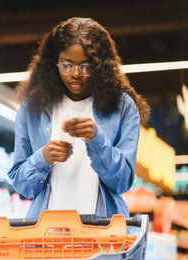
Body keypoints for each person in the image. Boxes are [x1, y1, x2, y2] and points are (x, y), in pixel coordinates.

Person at [8, 17, 150, 219]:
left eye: (86, 66)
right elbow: (23, 187)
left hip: (103, 234)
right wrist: (43, 157)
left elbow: (122, 181)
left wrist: (97, 140)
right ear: (54, 62)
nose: (75, 74)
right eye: (66, 65)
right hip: (47, 237)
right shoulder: (33, 109)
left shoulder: (122, 107)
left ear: (102, 66)